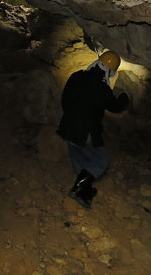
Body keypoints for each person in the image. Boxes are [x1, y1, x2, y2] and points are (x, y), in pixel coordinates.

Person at [56, 50, 130, 209]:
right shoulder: (102, 88)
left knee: (79, 157)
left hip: (67, 127)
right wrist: (125, 97)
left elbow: (64, 99)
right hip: (85, 130)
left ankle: (85, 192)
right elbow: (116, 107)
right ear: (110, 71)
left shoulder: (76, 76)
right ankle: (77, 190)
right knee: (101, 161)